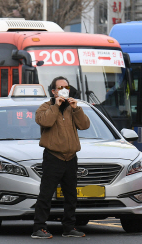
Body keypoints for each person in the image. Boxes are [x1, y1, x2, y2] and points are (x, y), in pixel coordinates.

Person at [31, 76, 90, 239]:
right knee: (46, 194)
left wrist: (76, 108)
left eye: (67, 87)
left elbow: (85, 125)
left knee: (71, 195)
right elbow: (45, 122)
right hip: (53, 157)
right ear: (54, 91)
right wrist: (56, 106)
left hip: (71, 157)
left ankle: (69, 227)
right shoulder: (45, 107)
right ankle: (39, 228)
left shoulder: (73, 107)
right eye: (60, 87)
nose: (64, 90)